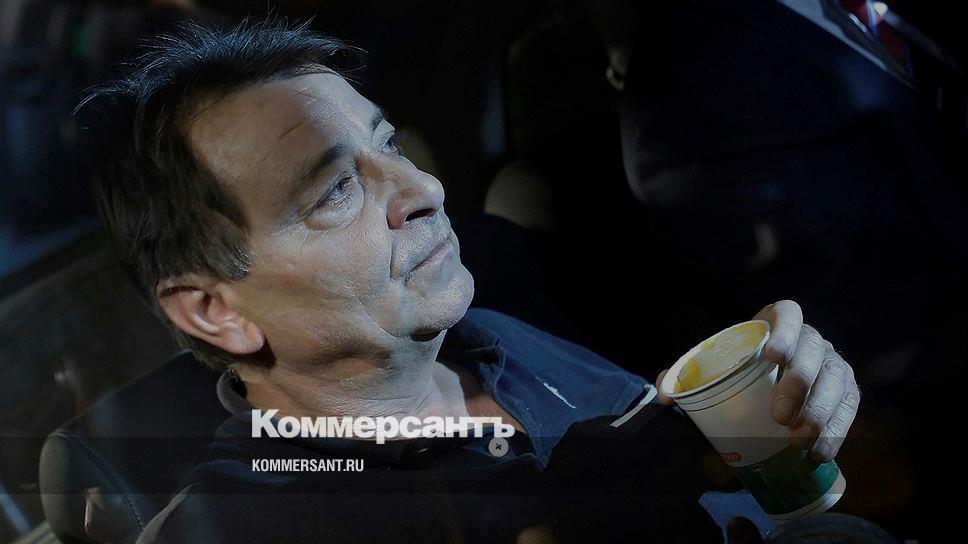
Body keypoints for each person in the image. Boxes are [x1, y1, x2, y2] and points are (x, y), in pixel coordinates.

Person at [80, 19, 860, 543]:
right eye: (335, 191)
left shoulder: (491, 339)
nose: (425, 189)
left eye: (389, 144)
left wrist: (762, 418)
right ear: (214, 310)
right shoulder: (249, 523)